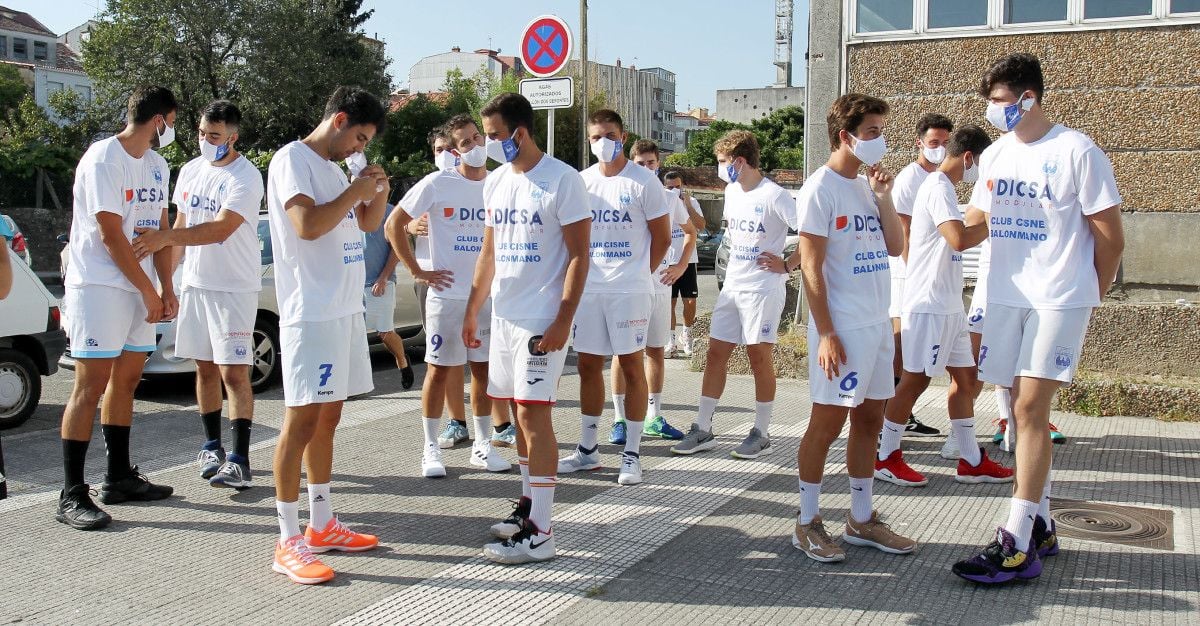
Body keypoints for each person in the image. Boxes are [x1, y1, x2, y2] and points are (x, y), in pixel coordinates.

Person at [952, 53, 1123, 584]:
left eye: (1000, 100)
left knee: (1028, 409)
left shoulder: (1077, 151)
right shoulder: (998, 154)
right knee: (1015, 406)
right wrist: (934, 205)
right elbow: (975, 225)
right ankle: (1043, 525)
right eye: (990, 101)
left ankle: (1016, 541)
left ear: (1029, 98)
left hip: (1058, 298)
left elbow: (1110, 235)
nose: (992, 110)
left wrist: (1088, 290)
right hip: (1007, 295)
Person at [266, 86, 390, 584]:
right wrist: (354, 191)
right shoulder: (291, 160)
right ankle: (286, 538)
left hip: (343, 309)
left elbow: (366, 223)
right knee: (301, 421)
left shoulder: (339, 169)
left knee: (329, 418)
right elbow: (308, 225)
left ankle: (321, 524)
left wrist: (373, 191)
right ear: (338, 120)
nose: (358, 147)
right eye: (358, 136)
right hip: (310, 312)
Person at [465, 92, 590, 564]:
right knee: (517, 417)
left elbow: (580, 254)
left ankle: (541, 532)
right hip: (506, 316)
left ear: (519, 132)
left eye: (495, 136)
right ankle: (527, 507)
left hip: (543, 318)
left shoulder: (563, 180)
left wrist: (563, 318)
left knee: (535, 416)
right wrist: (474, 309)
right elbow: (489, 252)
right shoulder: (496, 183)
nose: (490, 145)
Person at [791, 93, 916, 563]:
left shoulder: (867, 187)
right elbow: (811, 267)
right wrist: (825, 331)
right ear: (845, 136)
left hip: (876, 324)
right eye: (871, 132)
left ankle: (861, 519)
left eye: (881, 131)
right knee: (827, 422)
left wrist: (884, 198)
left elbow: (894, 245)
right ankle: (806, 521)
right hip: (840, 328)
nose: (879, 141)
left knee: (869, 420)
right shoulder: (819, 188)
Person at [56, 85, 178, 531]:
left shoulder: (158, 164)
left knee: (126, 380)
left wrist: (166, 287)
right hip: (100, 285)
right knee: (91, 386)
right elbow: (110, 235)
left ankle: (119, 478)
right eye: (172, 121)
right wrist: (148, 291)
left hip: (138, 286)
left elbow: (159, 230)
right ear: (160, 119)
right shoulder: (104, 158)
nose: (173, 131)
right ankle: (70, 494)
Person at [131, 100, 263, 491]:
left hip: (233, 288)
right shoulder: (189, 170)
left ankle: (240, 459)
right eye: (203, 133)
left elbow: (220, 229)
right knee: (204, 369)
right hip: (196, 285)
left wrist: (164, 237)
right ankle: (212, 447)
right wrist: (165, 286)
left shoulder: (246, 176)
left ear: (233, 137)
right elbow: (183, 226)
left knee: (234, 373)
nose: (207, 141)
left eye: (215, 136)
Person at [873, 124, 1013, 488]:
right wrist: (996, 220)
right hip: (928, 304)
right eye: (979, 164)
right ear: (969, 158)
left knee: (966, 379)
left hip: (949, 307)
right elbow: (959, 239)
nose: (979, 173)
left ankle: (970, 459)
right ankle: (886, 456)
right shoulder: (937, 187)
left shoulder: (946, 189)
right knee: (915, 380)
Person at [387, 113, 512, 477]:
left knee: (484, 371)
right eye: (465, 143)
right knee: (440, 371)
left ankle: (483, 446)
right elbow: (393, 224)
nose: (474, 146)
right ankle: (429, 449)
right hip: (446, 295)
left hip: (487, 297)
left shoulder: (500, 183)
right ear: (455, 151)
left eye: (477, 138)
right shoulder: (437, 183)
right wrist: (416, 269)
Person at [558, 112, 670, 486]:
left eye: (609, 135)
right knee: (588, 366)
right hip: (590, 289)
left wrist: (637, 272)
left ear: (623, 136)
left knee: (631, 365)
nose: (602, 142)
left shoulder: (643, 181)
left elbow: (663, 238)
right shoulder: (581, 181)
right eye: (595, 136)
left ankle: (632, 454)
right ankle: (588, 451)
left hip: (630, 291)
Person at [669, 130, 796, 460]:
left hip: (763, 290)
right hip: (733, 289)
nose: (719, 168)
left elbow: (812, 234)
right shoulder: (733, 192)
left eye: (723, 162)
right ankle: (703, 428)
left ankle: (761, 431)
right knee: (715, 354)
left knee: (758, 358)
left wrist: (787, 264)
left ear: (740, 161)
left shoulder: (776, 195)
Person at [608, 140, 692, 446]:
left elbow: (690, 233)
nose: (647, 168)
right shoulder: (619, 192)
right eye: (641, 163)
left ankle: (653, 417)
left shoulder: (670, 197)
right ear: (632, 162)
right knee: (623, 352)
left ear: (659, 164)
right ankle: (619, 418)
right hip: (627, 287)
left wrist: (682, 265)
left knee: (656, 350)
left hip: (659, 285)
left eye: (652, 163)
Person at [889, 113, 953, 438]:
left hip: (928, 281)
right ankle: (886, 423)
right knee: (901, 350)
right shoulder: (909, 178)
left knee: (914, 357)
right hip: (906, 277)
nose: (940, 149)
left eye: (944, 143)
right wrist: (916, 272)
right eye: (933, 143)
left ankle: (903, 416)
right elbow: (903, 230)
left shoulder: (941, 180)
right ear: (920, 143)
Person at [361, 196, 415, 391]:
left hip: (380, 281)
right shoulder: (349, 208)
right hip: (354, 284)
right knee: (354, 333)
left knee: (384, 332)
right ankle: (355, 382)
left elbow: (397, 246)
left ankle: (402, 359)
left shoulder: (390, 210)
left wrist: (384, 277)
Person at [663, 170, 706, 358]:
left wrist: (687, 204)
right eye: (670, 187)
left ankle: (686, 335)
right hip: (667, 260)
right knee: (669, 303)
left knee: (689, 301)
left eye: (677, 187)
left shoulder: (691, 202)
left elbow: (701, 226)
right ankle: (670, 340)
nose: (674, 190)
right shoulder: (661, 200)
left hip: (688, 260)